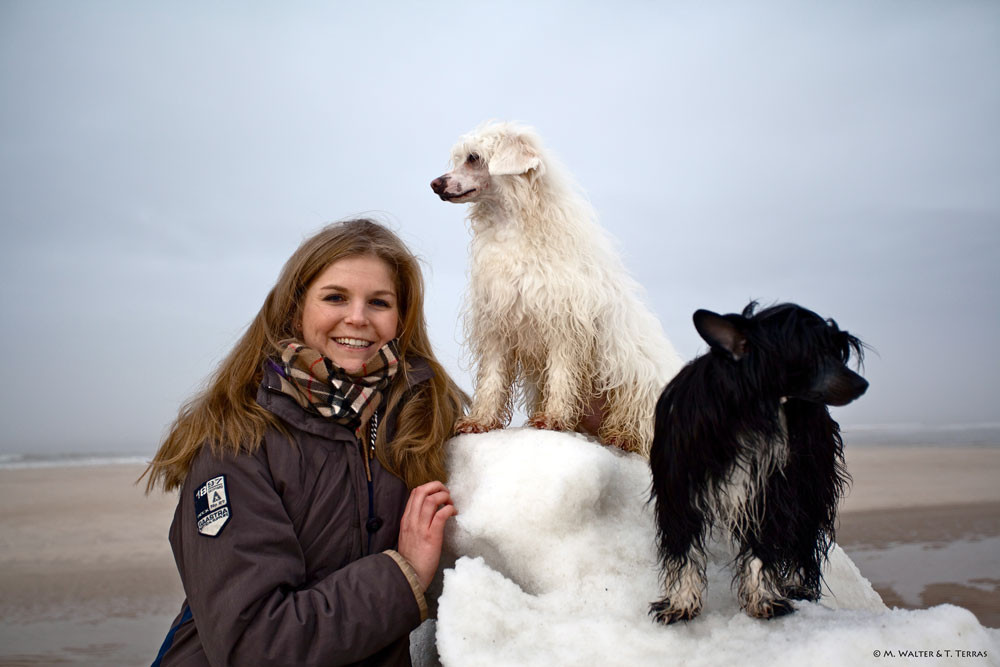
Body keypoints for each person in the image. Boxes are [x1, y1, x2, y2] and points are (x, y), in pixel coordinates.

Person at [143, 219, 468, 666]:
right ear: (296, 308)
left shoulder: (424, 419)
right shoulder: (237, 441)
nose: (357, 317)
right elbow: (255, 645)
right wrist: (402, 574)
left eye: (379, 302)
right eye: (335, 297)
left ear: (401, 317)